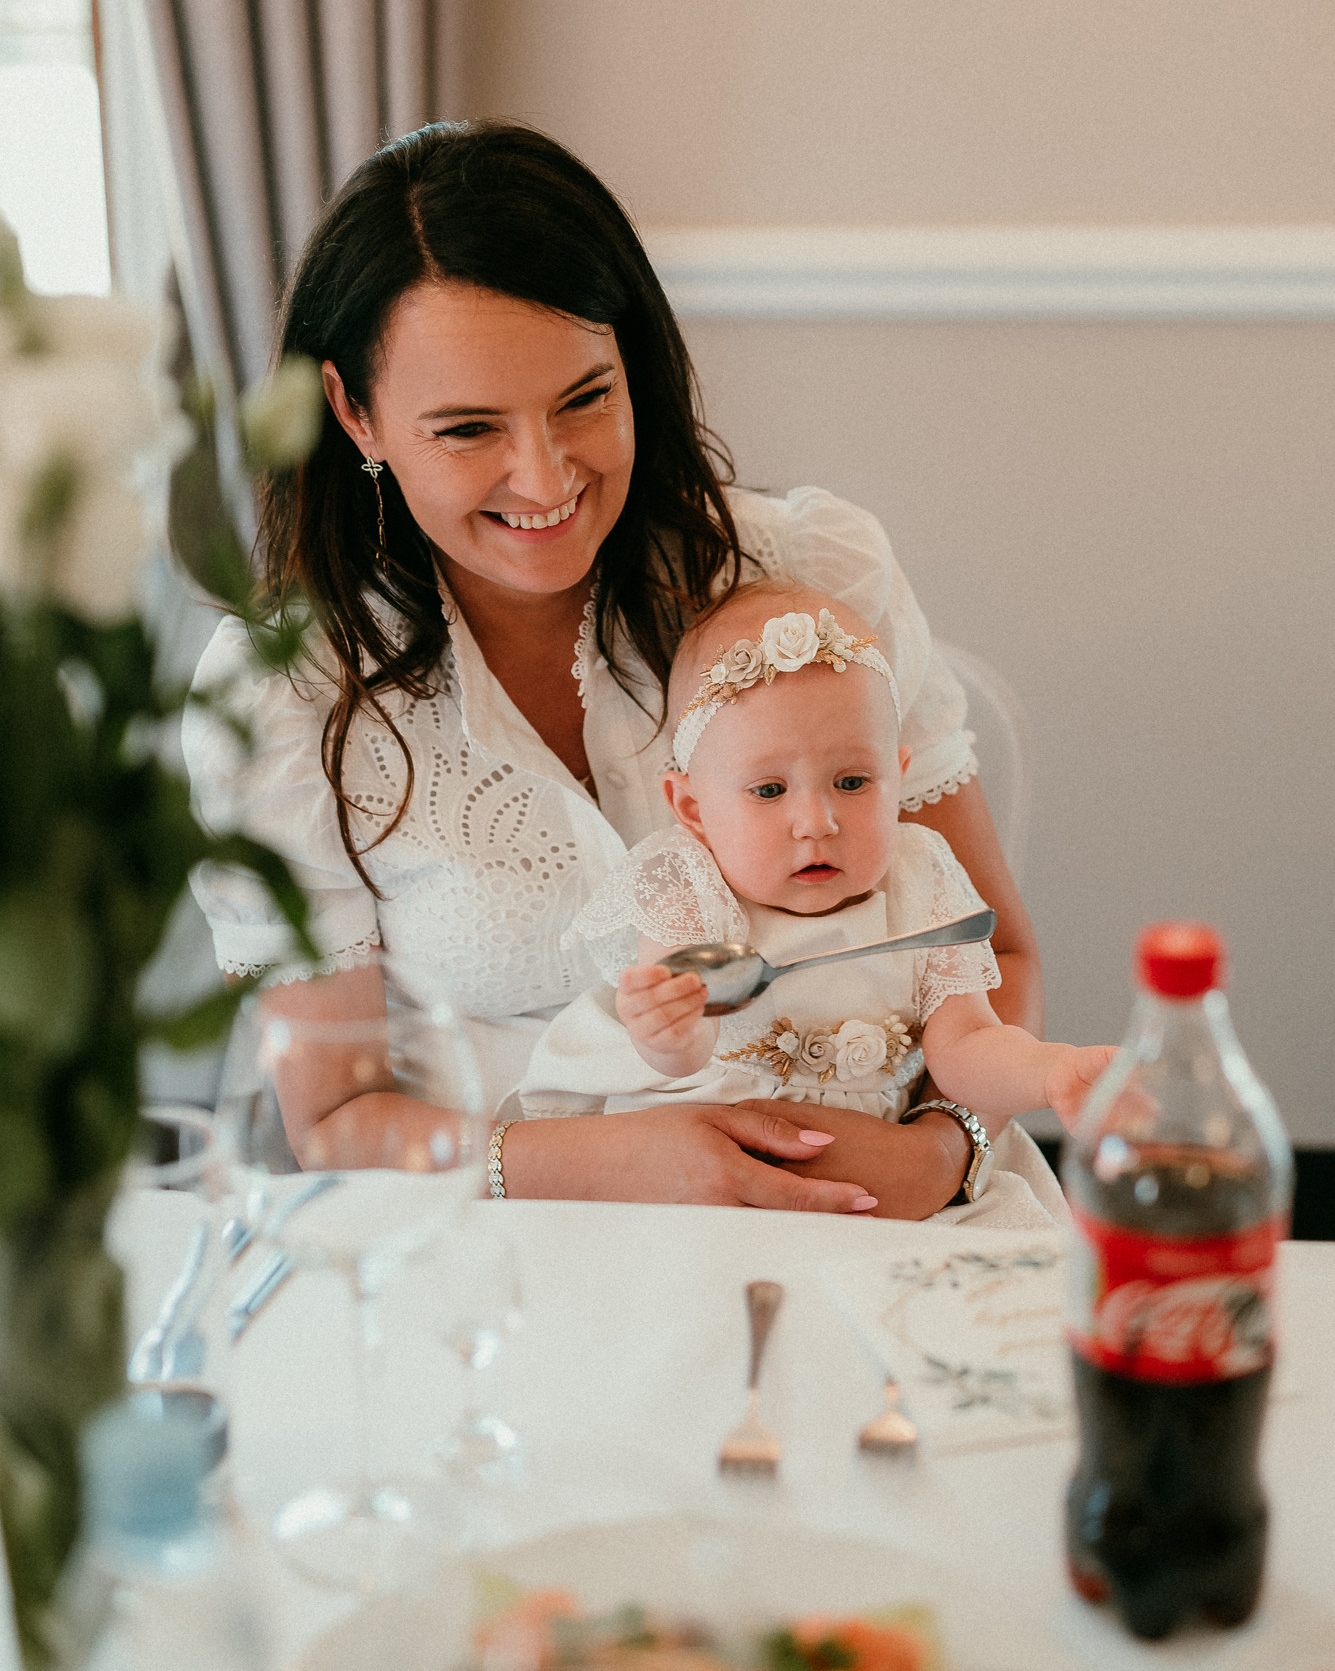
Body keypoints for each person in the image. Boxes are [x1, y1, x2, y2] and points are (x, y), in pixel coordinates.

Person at [183, 120, 1042, 1216]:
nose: (546, 479)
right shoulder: (284, 697)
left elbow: (1000, 952)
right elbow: (335, 1121)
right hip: (493, 1238)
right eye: (468, 429)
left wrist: (947, 1148)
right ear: (355, 413)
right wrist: (619, 1162)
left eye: (585, 398)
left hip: (890, 1212)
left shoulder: (809, 572)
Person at [518, 583, 1113, 1218]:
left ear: (898, 777)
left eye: (853, 782)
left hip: (877, 1173)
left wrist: (1050, 1071)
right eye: (769, 790)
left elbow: (965, 1046)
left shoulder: (921, 880)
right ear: (692, 808)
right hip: (706, 1175)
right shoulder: (687, 883)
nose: (816, 822)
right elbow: (685, 1051)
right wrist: (666, 1030)